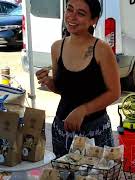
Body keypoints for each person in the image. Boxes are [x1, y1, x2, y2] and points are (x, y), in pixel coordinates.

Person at [36, 0, 121, 158]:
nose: (72, 17)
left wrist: (83, 110)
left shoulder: (101, 49)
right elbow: (63, 90)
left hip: (95, 131)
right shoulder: (57, 47)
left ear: (93, 20)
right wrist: (49, 82)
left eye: (81, 13)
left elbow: (114, 92)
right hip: (62, 129)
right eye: (70, 9)